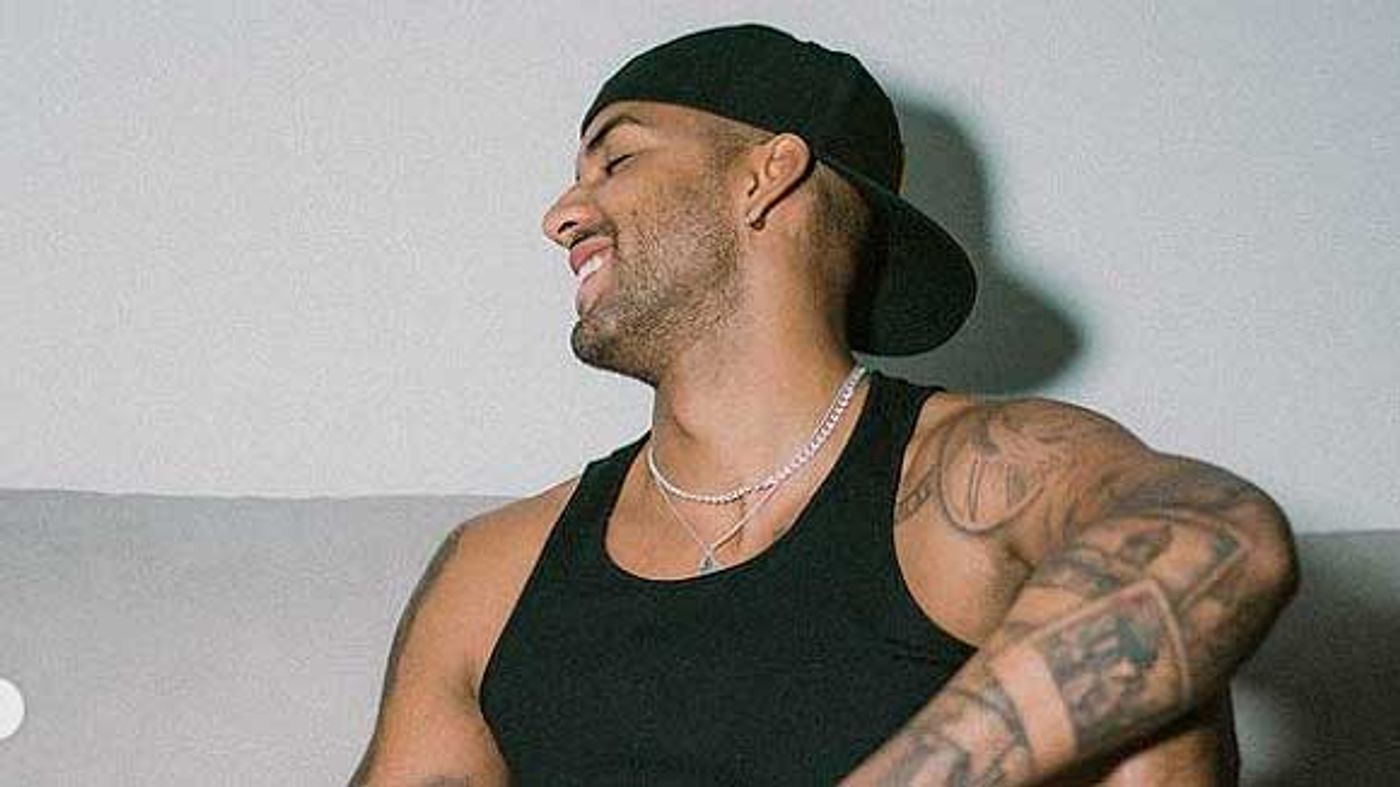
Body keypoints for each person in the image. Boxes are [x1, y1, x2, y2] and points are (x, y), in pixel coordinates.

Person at [350, 24, 1297, 786]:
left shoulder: (971, 476)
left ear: (767, 174)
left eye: (617, 159)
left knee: (1157, 705)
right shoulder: (493, 569)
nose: (562, 213)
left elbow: (1222, 542)